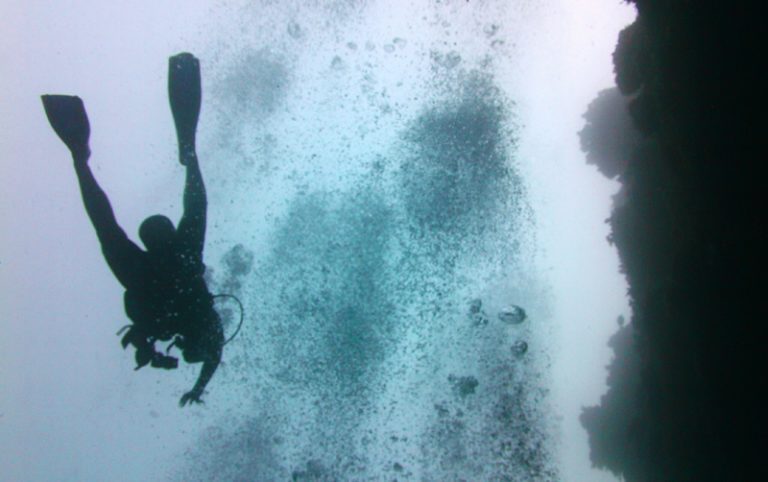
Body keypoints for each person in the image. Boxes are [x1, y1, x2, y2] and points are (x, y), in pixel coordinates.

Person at [41, 53, 224, 407]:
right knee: (106, 226)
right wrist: (197, 388)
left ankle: (185, 154)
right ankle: (84, 160)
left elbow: (212, 355)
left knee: (113, 224)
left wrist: (195, 385)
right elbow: (213, 354)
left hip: (151, 277)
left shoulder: (181, 325)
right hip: (166, 271)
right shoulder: (202, 325)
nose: (187, 351)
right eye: (192, 352)